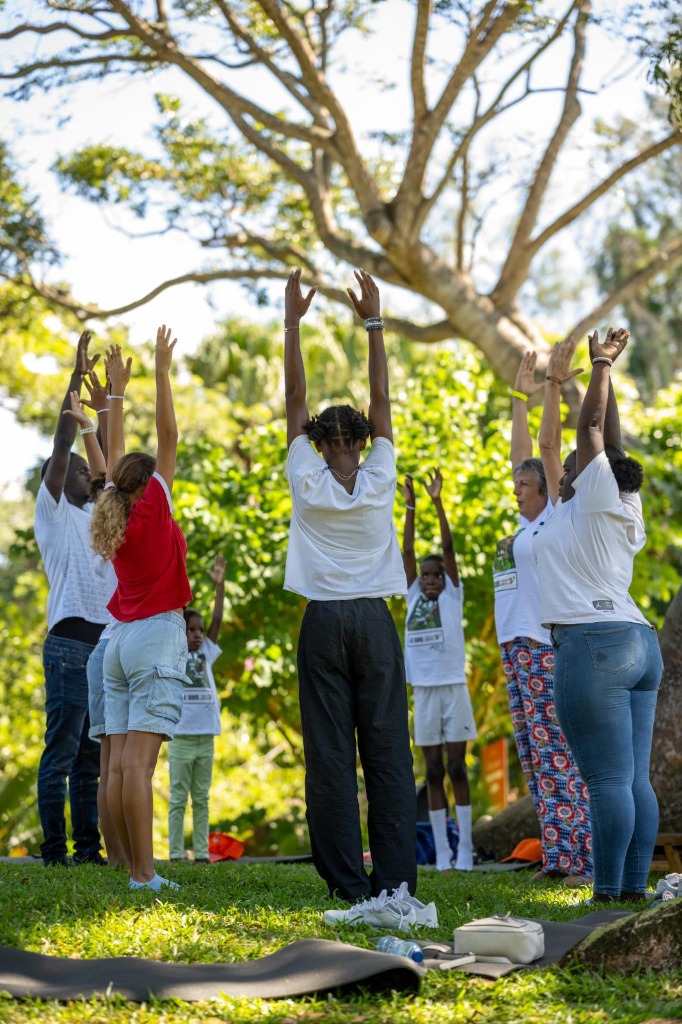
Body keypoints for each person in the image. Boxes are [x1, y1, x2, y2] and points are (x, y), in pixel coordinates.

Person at [283, 267, 417, 905]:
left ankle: (347, 886)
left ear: (315, 441)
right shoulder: (381, 475)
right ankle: (394, 882)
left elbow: (292, 404)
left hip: (322, 623)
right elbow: (383, 402)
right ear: (364, 442)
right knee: (387, 747)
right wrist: (373, 323)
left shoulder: (305, 479)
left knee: (330, 756)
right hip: (371, 619)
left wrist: (292, 325)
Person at [535, 328, 663, 904]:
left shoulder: (591, 496)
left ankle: (608, 895)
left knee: (608, 781)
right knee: (632, 778)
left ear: (587, 478)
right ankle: (632, 892)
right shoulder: (624, 505)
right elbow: (607, 441)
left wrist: (601, 364)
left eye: (570, 469)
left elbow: (591, 432)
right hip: (639, 643)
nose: (563, 474)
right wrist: (585, 379)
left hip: (593, 645)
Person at [90, 329, 192, 892]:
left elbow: (117, 452)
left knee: (121, 766)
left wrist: (115, 398)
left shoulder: (113, 507)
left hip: (119, 643)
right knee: (139, 768)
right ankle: (145, 874)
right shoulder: (154, 501)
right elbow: (168, 433)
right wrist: (159, 369)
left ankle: (130, 869)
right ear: (148, 479)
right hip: (154, 638)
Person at [492, 350, 592, 884]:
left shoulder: (553, 516)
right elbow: (521, 458)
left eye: (524, 486)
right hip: (515, 647)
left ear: (546, 492)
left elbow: (539, 451)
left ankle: (580, 858)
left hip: (540, 644)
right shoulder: (525, 528)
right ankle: (558, 857)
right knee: (533, 757)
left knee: (556, 752)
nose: (516, 488)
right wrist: (517, 397)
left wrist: (547, 391)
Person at [34, 331, 113, 867]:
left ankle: (88, 850)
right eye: (78, 471)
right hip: (67, 645)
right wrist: (74, 379)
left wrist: (106, 402)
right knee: (62, 751)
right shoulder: (55, 513)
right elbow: (67, 444)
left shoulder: (102, 519)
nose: (88, 471)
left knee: (92, 758)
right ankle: (53, 850)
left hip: (104, 647)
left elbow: (102, 458)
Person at [63, 374, 129, 868]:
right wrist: (105, 408)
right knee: (112, 759)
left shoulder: (110, 521)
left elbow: (110, 474)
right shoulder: (66, 511)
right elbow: (110, 472)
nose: (89, 474)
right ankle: (121, 861)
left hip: (111, 640)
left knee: (105, 757)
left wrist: (102, 415)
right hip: (98, 638)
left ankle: (105, 854)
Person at [402, 468, 477, 872]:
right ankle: (443, 854)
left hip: (453, 688)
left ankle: (465, 847)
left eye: (437, 575)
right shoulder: (413, 594)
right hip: (425, 691)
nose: (431, 579)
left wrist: (436, 501)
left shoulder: (453, 597)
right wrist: (410, 506)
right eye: (426, 575)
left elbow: (446, 546)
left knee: (456, 767)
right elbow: (408, 552)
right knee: (431, 771)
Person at [168, 555, 226, 864]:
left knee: (201, 798)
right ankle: (176, 854)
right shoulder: (174, 650)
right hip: (180, 737)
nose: (197, 634)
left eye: (199, 630)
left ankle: (202, 853)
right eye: (191, 629)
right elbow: (177, 616)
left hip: (206, 736)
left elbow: (217, 620)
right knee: (178, 798)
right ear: (182, 631)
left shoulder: (206, 652)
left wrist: (220, 587)